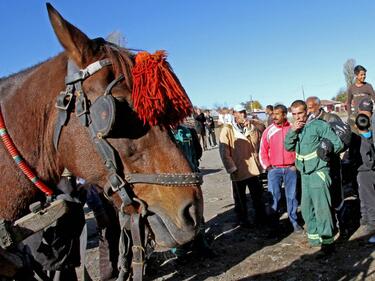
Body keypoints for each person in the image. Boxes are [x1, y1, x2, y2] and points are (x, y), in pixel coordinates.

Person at [285, 100, 343, 254]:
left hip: (318, 172)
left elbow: (338, 144)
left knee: (322, 208)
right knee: (306, 208)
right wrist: (293, 131)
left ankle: (328, 243)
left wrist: (325, 151)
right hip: (304, 174)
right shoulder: (296, 128)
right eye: (294, 114)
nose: (298, 117)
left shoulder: (319, 125)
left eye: (300, 113)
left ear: (307, 112)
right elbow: (287, 146)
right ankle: (314, 239)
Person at [219, 104, 266, 227]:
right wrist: (231, 167)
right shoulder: (227, 129)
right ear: (234, 114)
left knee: (257, 195)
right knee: (240, 198)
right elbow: (224, 151)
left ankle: (261, 217)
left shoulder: (250, 126)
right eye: (239, 112)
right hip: (238, 168)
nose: (242, 115)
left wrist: (251, 130)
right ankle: (242, 219)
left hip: (253, 168)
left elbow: (256, 144)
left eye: (244, 112)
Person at [306, 96, 346, 235]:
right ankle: (331, 227)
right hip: (318, 167)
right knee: (324, 198)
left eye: (310, 107)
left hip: (332, 163)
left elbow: (341, 139)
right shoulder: (309, 121)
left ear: (318, 106)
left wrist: (327, 150)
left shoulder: (331, 118)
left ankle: (344, 226)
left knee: (337, 196)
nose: (308, 110)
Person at [259, 104, 301, 232]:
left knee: (292, 197)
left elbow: (299, 148)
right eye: (273, 114)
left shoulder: (293, 129)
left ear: (284, 115)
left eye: (277, 114)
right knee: (274, 198)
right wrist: (268, 167)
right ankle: (274, 225)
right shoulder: (268, 131)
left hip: (291, 169)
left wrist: (296, 165)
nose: (274, 116)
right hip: (274, 170)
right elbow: (262, 150)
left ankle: (294, 222)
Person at [349, 114, 375, 244]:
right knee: (364, 197)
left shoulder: (360, 142)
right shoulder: (371, 136)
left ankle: (372, 228)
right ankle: (365, 219)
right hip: (367, 172)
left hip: (365, 172)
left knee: (369, 199)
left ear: (356, 126)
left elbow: (367, 160)